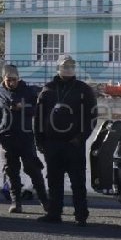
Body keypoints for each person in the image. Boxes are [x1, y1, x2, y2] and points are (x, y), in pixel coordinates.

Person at [36, 55, 98, 226]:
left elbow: (92, 116)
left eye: (71, 66)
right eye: (65, 66)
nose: (68, 68)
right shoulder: (48, 89)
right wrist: (39, 140)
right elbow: (39, 116)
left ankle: (81, 215)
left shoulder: (84, 89)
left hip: (74, 143)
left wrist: (80, 138)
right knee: (54, 180)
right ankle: (54, 213)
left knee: (77, 181)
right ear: (58, 68)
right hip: (52, 143)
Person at [0, 64, 49, 214]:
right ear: (3, 79)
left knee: (33, 169)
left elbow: (37, 108)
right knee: (11, 171)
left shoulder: (29, 90)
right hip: (7, 136)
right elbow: (4, 106)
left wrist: (23, 107)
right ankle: (16, 202)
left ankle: (45, 201)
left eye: (14, 79)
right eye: (8, 80)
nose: (12, 82)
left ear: (18, 78)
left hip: (25, 136)